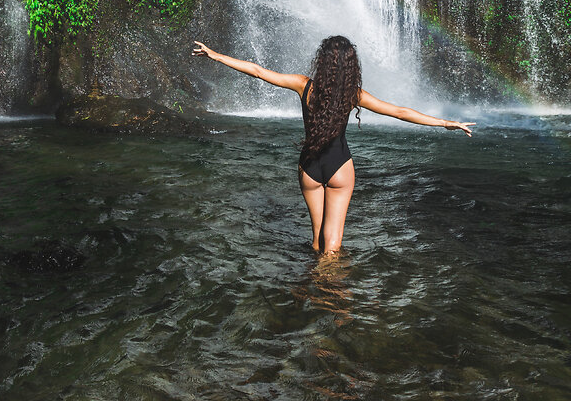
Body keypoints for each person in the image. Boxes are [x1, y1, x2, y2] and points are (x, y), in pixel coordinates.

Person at [192, 36, 474, 256]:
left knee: (317, 241)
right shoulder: (353, 95)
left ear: (322, 62)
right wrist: (444, 123)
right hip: (340, 167)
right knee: (333, 246)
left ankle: (313, 296)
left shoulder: (304, 86)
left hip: (308, 167)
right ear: (351, 66)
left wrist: (215, 55)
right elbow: (399, 112)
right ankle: (332, 305)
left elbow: (256, 71)